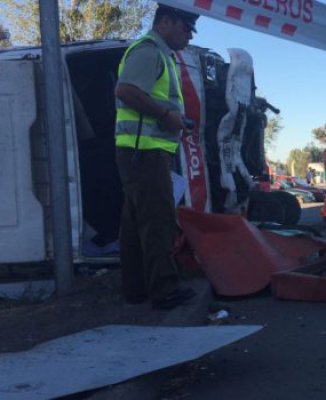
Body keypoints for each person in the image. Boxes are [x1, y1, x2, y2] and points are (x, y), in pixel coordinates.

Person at [114, 4, 198, 310]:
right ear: (165, 21)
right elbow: (124, 90)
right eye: (185, 28)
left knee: (136, 221)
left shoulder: (160, 54)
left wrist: (174, 119)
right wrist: (166, 114)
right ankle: (164, 290)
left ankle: (136, 289)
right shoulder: (149, 50)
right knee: (157, 220)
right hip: (144, 152)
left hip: (141, 151)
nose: (189, 35)